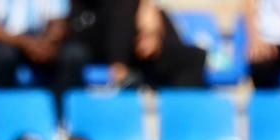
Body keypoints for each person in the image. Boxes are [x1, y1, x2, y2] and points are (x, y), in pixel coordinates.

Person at [0, 0, 88, 103]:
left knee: (74, 55)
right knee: (3, 56)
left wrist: (47, 43)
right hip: (4, 40)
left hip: (40, 40)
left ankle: (60, 113)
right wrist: (24, 42)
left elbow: (59, 21)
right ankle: (4, 112)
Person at [76, 0, 206, 89]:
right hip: (100, 42)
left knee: (193, 58)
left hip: (141, 49)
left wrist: (151, 30)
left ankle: (182, 114)